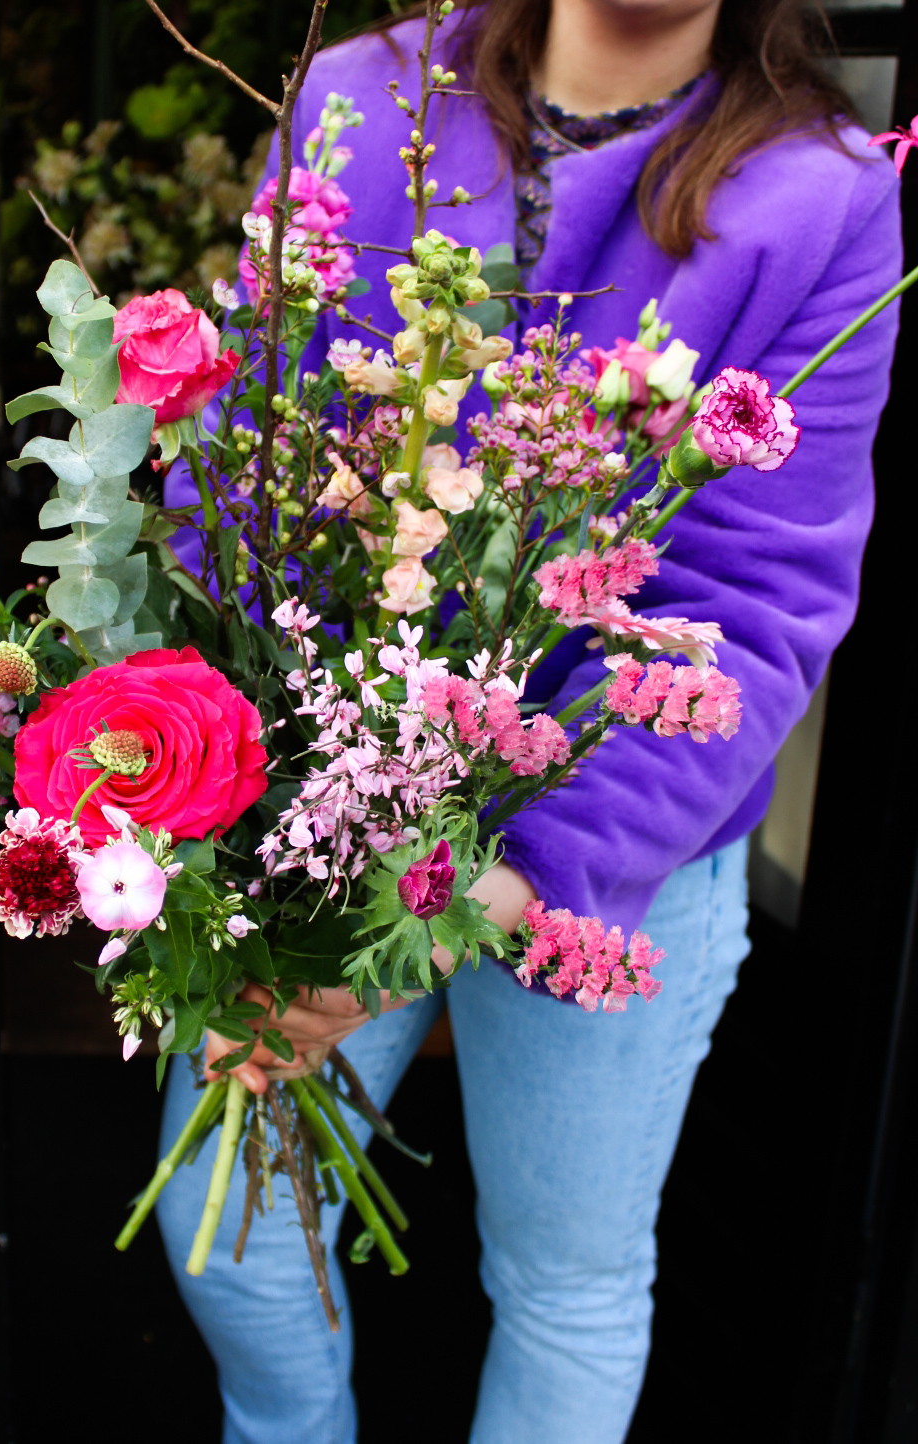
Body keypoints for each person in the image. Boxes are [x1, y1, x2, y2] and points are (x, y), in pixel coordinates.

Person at [157, 1, 902, 1440]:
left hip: (612, 848)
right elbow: (233, 451)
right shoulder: (365, 95)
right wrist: (235, 778)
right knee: (228, 1227)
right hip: (324, 799)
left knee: (562, 1279)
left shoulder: (819, 197)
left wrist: (512, 880)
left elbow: (756, 602)